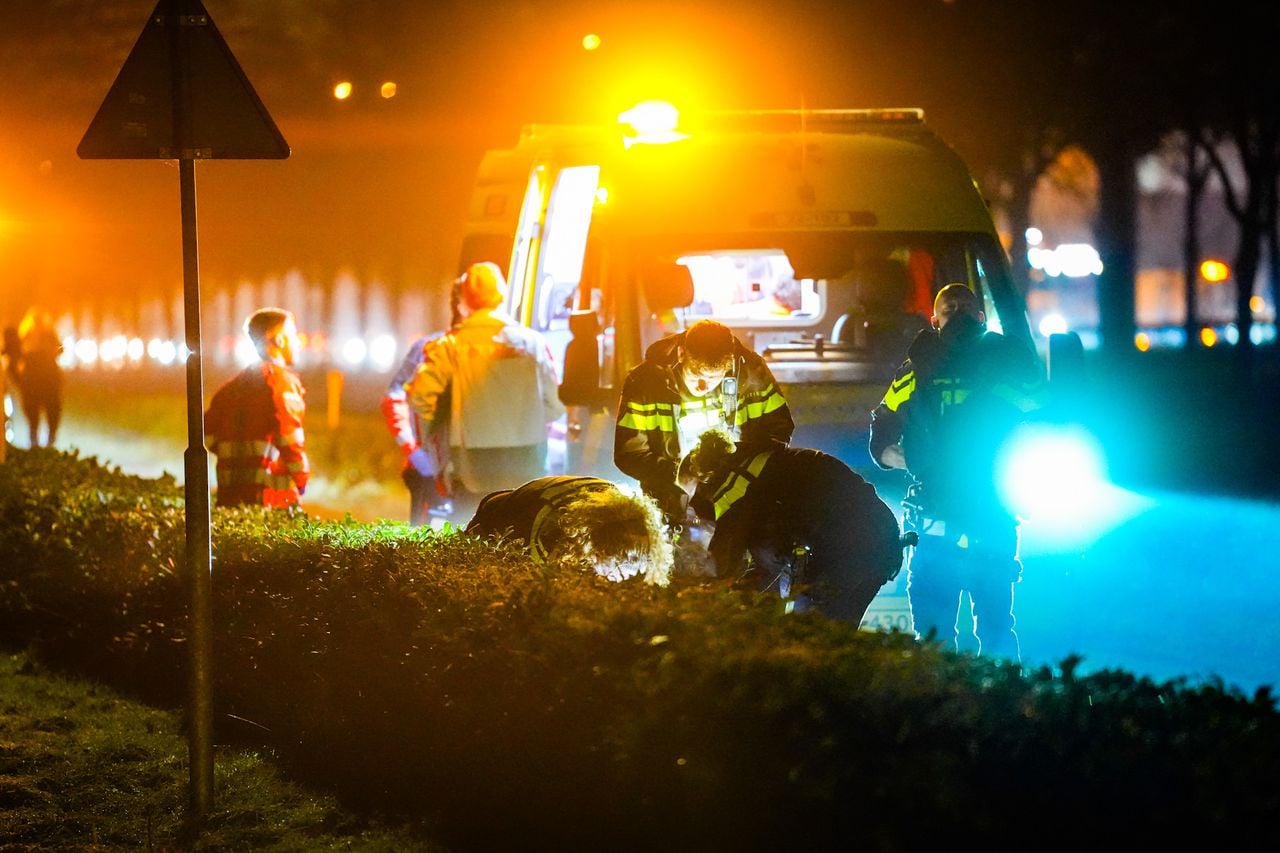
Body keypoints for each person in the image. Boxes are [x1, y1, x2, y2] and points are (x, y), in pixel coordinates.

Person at [868, 283, 1045, 660]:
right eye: (951, 308)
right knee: (935, 641)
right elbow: (881, 436)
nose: (959, 313)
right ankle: (949, 710)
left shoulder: (1005, 357)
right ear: (934, 321)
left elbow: (1044, 410)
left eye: (966, 306)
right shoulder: (914, 372)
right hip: (938, 520)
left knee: (995, 631)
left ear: (981, 316)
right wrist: (907, 458)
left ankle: (997, 707)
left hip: (989, 513)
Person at [677, 428, 906, 626]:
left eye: (690, 494)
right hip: (878, 542)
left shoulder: (736, 480)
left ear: (703, 477)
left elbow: (728, 557)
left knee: (809, 636)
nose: (694, 508)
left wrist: (696, 595)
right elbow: (775, 550)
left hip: (852, 548)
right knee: (827, 638)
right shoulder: (763, 465)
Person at [405, 262, 564, 519]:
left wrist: (436, 438)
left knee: (473, 530)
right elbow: (555, 405)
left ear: (463, 302)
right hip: (527, 454)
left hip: (470, 459)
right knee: (522, 529)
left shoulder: (450, 345)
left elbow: (420, 398)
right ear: (502, 296)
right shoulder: (533, 343)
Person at [614, 319, 794, 527]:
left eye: (713, 378)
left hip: (739, 501)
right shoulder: (645, 382)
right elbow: (629, 454)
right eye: (697, 375)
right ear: (681, 354)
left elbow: (778, 432)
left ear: (729, 364)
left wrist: (734, 468)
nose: (703, 386)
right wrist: (680, 473)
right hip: (670, 504)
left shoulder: (751, 372)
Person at [466, 475, 673, 586]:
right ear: (597, 550)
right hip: (493, 517)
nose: (618, 577)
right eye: (616, 568)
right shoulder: (543, 533)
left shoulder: (628, 520)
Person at [204, 307, 310, 509]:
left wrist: (240, 458)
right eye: (293, 335)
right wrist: (301, 479)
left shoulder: (231, 387)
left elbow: (208, 435)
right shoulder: (283, 382)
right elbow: (290, 437)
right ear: (278, 340)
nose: (298, 342)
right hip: (271, 499)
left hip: (230, 499)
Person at [380, 285, 462, 526]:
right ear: (463, 306)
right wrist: (415, 453)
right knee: (427, 543)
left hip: (472, 469)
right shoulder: (429, 348)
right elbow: (393, 399)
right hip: (430, 473)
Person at [14, 308, 64, 448]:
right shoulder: (26, 336)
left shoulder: (49, 335)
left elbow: (60, 348)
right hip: (32, 377)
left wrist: (49, 350)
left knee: (52, 408)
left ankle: (50, 438)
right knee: (32, 409)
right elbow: (17, 353)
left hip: (48, 375)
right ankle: (34, 438)